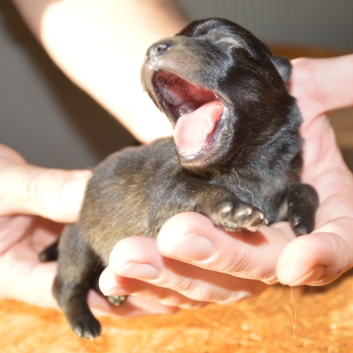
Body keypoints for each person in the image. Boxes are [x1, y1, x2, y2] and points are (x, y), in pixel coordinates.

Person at [1, 0, 353, 317]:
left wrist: (302, 199)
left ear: (279, 78)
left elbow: (284, 195)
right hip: (104, 217)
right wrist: (213, 201)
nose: (156, 50)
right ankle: (74, 298)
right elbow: (171, 199)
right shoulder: (173, 171)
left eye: (226, 44)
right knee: (77, 249)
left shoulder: (288, 165)